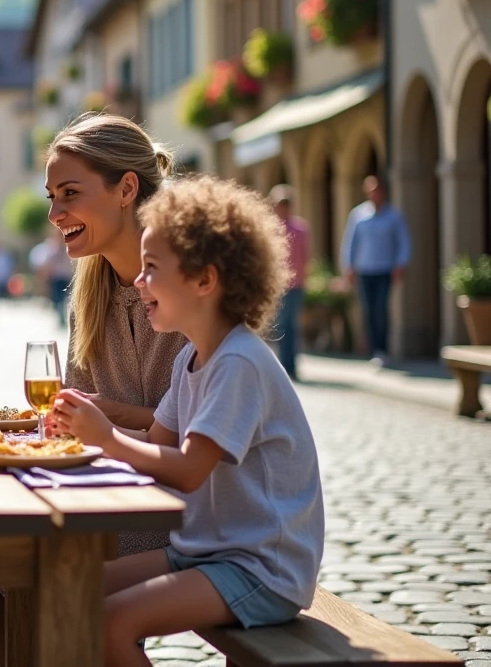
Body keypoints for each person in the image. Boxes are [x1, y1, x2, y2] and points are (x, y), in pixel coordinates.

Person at [0, 112, 187, 667]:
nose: (54, 215)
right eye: (50, 197)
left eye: (69, 194)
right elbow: (77, 422)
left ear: (126, 189)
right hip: (104, 495)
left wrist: (110, 416)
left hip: (176, 511)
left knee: (46, 579)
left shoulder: (188, 282)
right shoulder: (91, 290)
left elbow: (198, 437)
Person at [51, 175, 324, 667]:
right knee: (64, 591)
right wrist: (85, 428)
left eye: (152, 268)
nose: (138, 281)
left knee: (113, 620)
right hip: (204, 551)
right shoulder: (192, 359)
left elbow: (187, 469)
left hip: (259, 567)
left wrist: (106, 437)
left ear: (204, 280)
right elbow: (157, 442)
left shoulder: (238, 361)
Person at [340, 175, 411, 367]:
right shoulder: (358, 215)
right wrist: (348, 266)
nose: (374, 194)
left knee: (381, 309)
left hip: (384, 269)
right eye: (370, 191)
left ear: (383, 192)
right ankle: (373, 349)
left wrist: (400, 264)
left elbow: (403, 242)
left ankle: (382, 349)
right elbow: (350, 243)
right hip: (364, 270)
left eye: (377, 190)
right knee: (368, 310)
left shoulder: (394, 215)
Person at [268, 185, 310, 380]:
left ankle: (290, 366)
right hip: (277, 285)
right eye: (280, 204)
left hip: (296, 285)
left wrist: (306, 279)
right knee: (281, 326)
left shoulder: (300, 229)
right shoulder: (270, 229)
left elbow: (305, 257)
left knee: (292, 326)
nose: (283, 208)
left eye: (286, 204)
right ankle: (282, 367)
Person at [29, 230, 74, 326]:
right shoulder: (53, 248)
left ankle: (62, 314)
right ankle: (60, 315)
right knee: (57, 297)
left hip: (65, 276)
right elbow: (47, 262)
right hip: (56, 277)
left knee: (65, 297)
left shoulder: (68, 247)